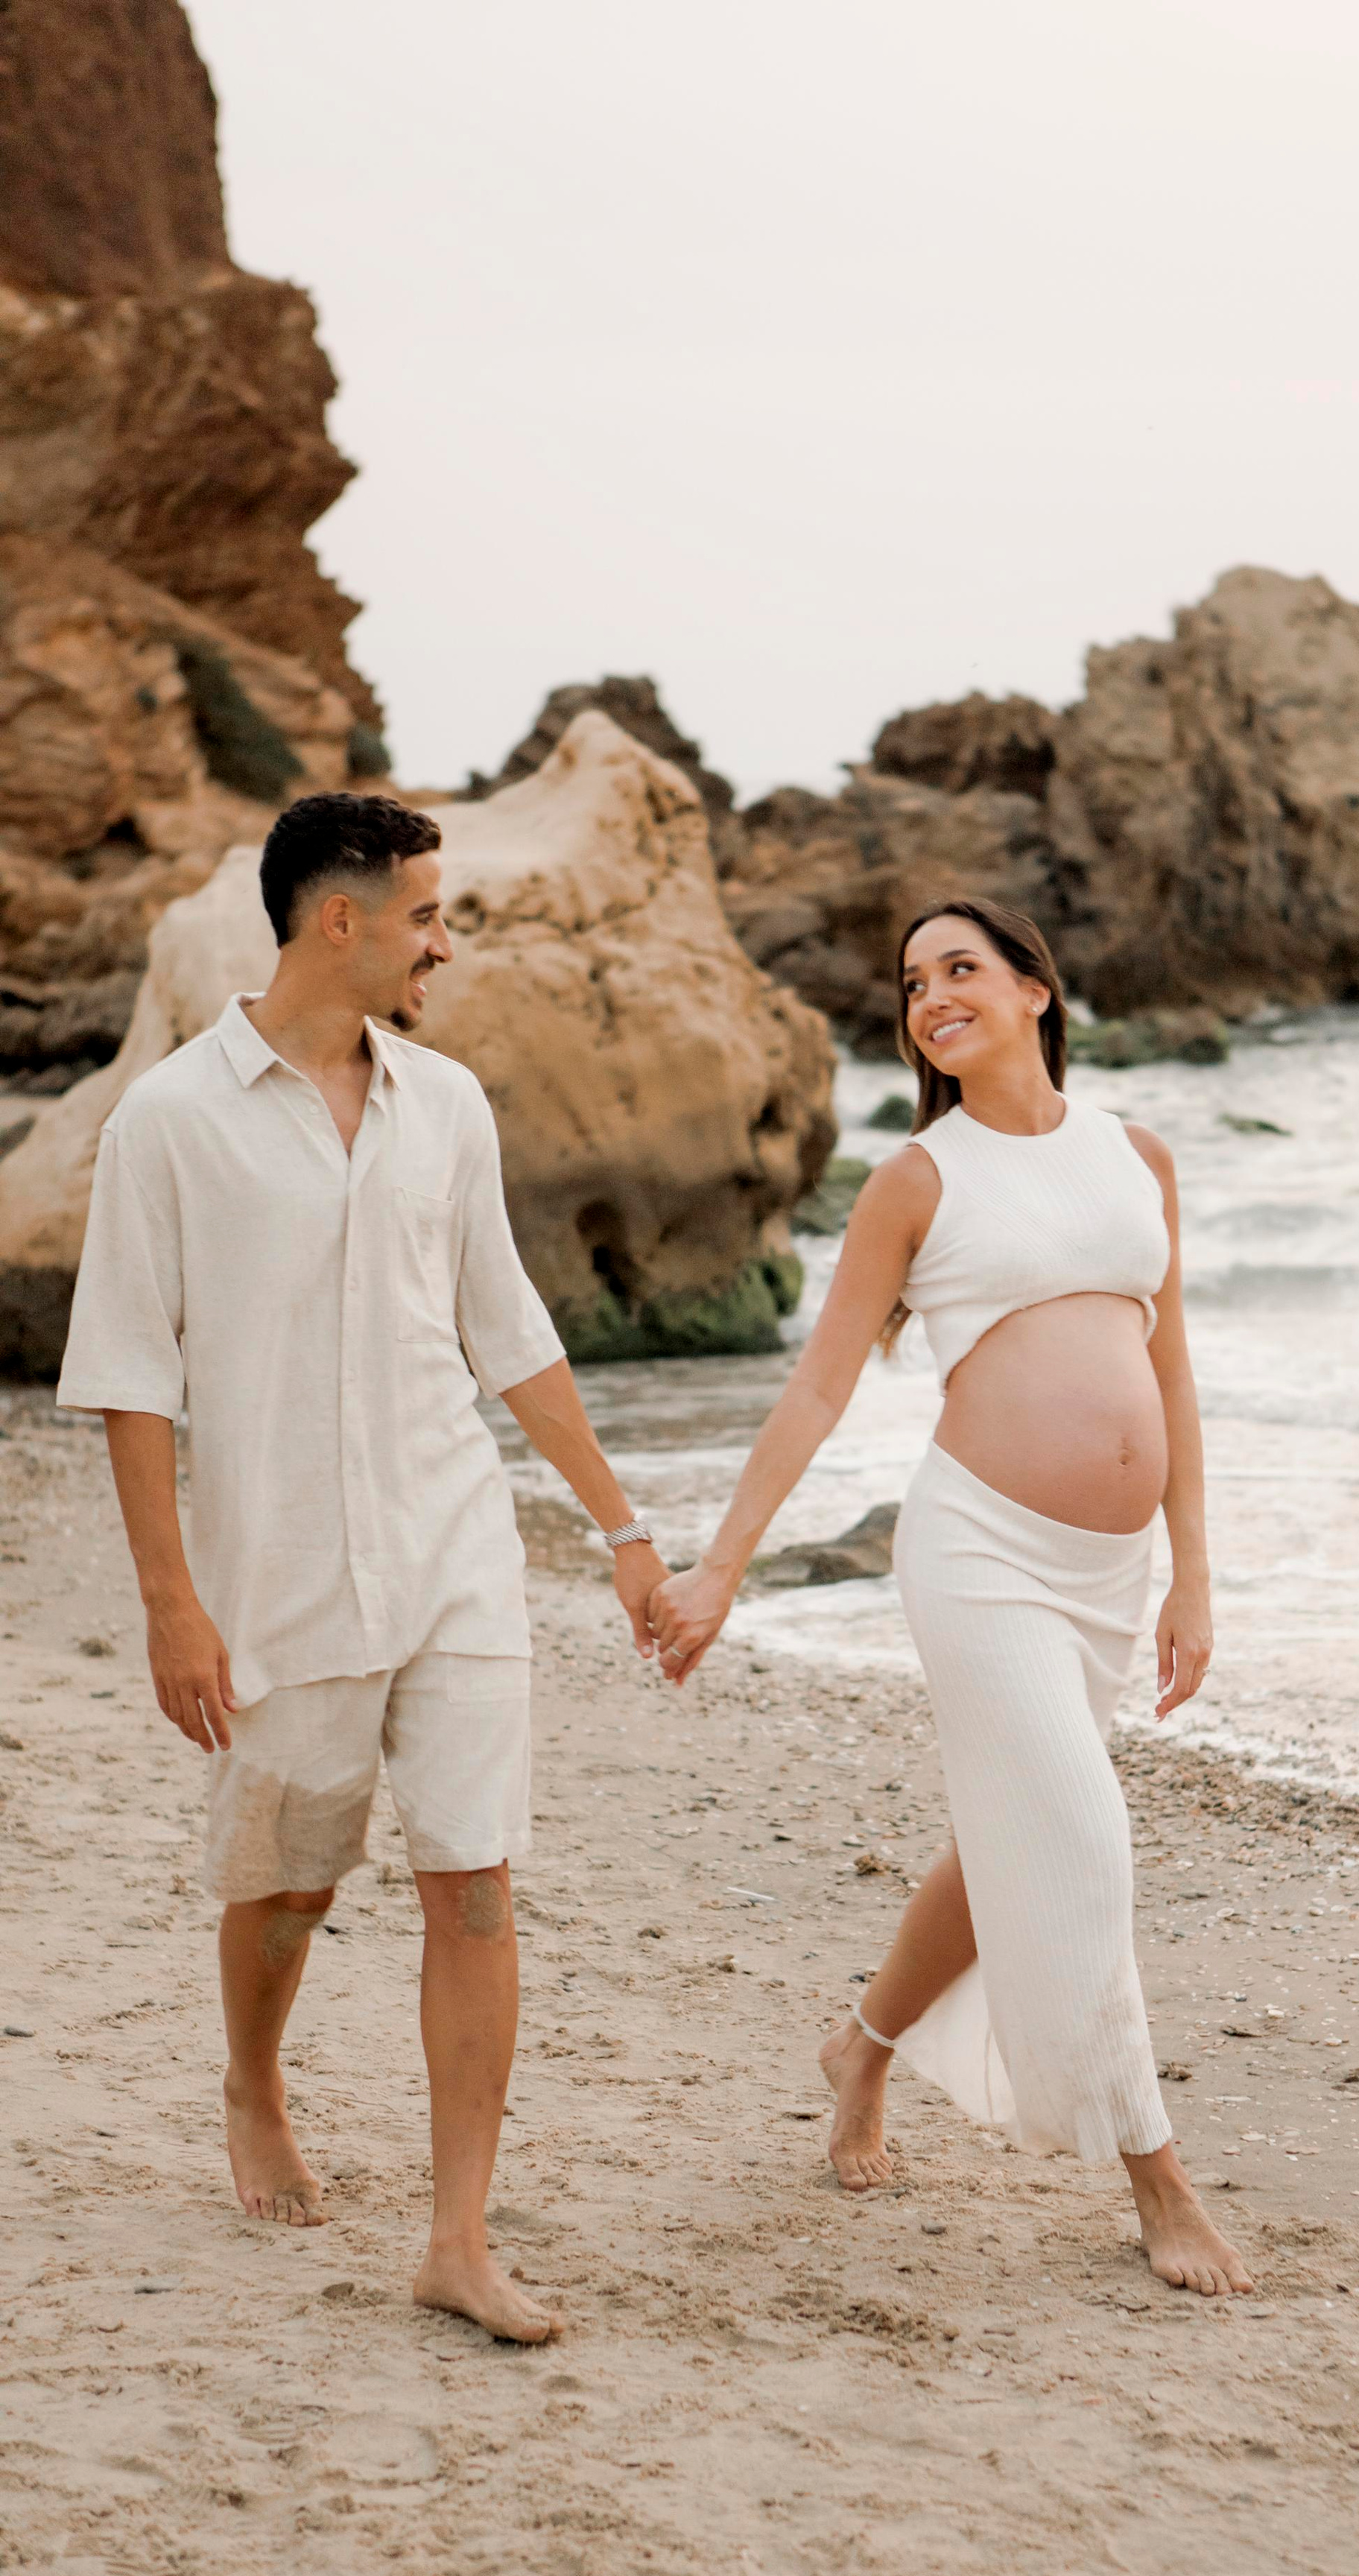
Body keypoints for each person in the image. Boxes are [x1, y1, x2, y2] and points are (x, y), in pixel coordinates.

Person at [57, 791, 668, 2344]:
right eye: (426, 918)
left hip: (454, 1541)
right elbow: (131, 1372)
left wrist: (620, 1526)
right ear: (342, 920)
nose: (441, 946)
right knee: (288, 1883)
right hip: (278, 1573)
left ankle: (456, 2239)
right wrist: (169, 1604)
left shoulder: (447, 1106)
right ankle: (252, 2083)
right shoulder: (173, 1123)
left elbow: (507, 1331)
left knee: (474, 1877)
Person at [649, 897, 1252, 2297]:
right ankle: (1158, 2182)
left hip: (1109, 1573)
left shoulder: (1136, 1159)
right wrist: (723, 1564)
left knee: (1010, 1840)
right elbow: (820, 1384)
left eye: (959, 970)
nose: (931, 999)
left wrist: (1194, 1573)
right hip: (978, 1552)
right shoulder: (917, 1182)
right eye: (913, 984)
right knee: (1080, 1836)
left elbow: (1170, 1377)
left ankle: (862, 2047)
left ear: (1038, 988)